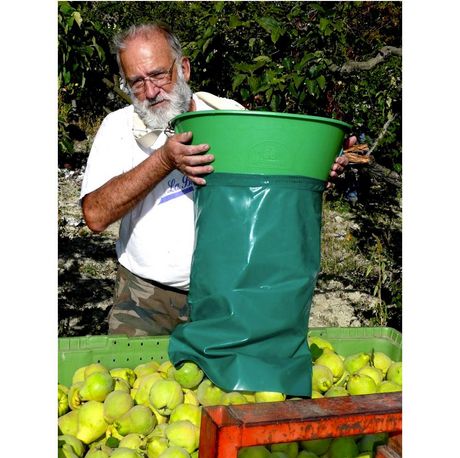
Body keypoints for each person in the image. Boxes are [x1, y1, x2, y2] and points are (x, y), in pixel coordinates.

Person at [80, 22, 351, 337]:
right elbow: (95, 215)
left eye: (158, 75)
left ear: (184, 68)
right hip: (146, 301)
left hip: (227, 293)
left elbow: (272, 182)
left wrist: (319, 166)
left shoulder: (228, 116)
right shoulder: (118, 128)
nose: (151, 92)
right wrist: (164, 160)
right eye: (137, 83)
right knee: (136, 369)